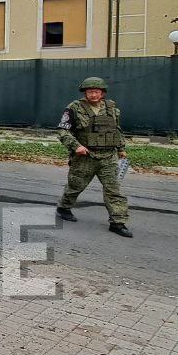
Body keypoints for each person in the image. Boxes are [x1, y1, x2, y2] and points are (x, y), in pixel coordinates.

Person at [56, 76, 132, 237]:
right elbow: (63, 131)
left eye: (97, 92)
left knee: (114, 190)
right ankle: (63, 207)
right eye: (90, 92)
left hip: (108, 157)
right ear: (85, 93)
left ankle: (118, 222)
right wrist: (76, 146)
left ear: (102, 93)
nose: (93, 95)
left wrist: (121, 149)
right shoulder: (74, 108)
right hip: (85, 156)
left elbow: (117, 130)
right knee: (75, 186)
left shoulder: (111, 108)